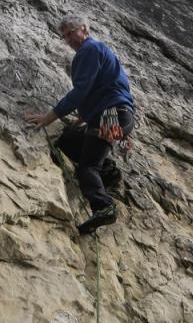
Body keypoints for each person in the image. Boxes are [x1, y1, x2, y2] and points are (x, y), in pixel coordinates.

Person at [25, 15, 135, 234]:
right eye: (64, 36)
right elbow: (106, 86)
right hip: (117, 115)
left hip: (111, 114)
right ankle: (108, 173)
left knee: (87, 166)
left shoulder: (89, 50)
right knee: (68, 140)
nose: (68, 39)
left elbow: (81, 91)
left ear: (84, 29)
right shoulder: (100, 51)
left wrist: (50, 116)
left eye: (71, 32)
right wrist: (85, 116)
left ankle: (104, 208)